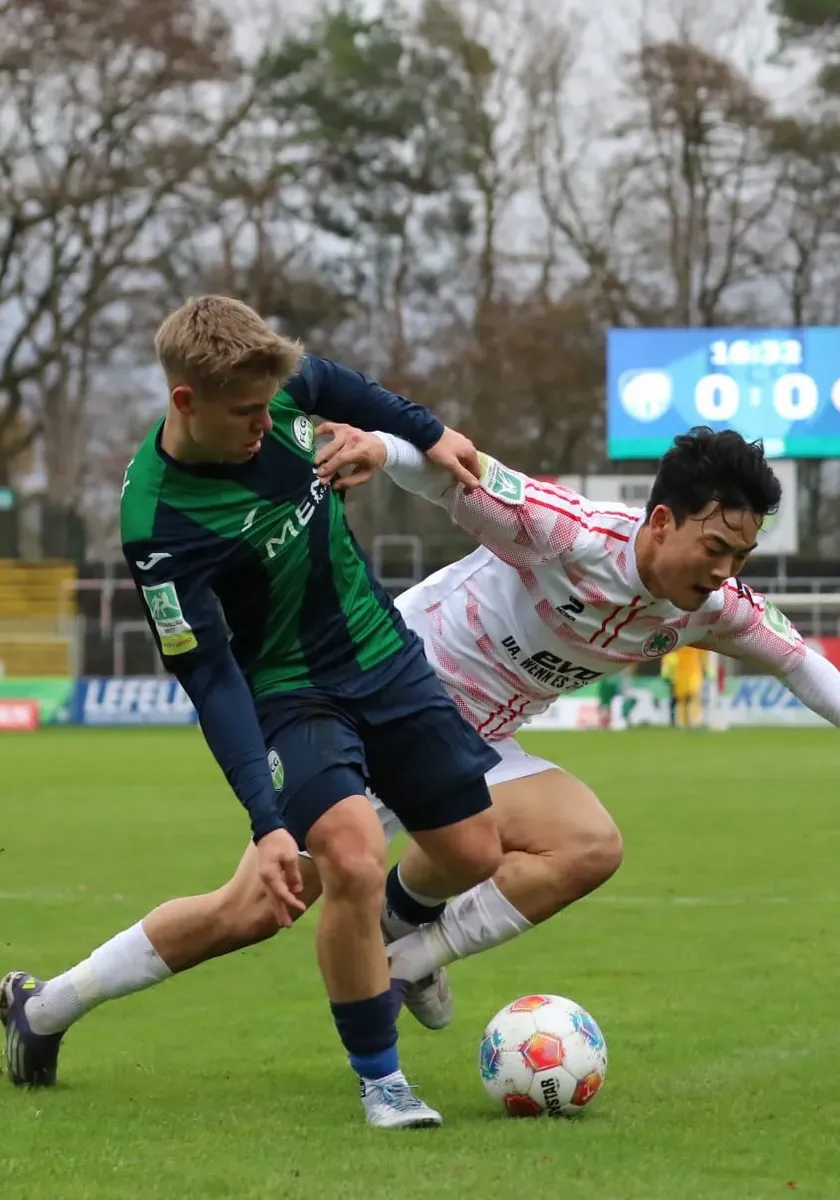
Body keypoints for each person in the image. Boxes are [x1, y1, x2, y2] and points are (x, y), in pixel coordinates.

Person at [10, 427, 840, 1070]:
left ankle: (406, 955)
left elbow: (804, 665)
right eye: (717, 547)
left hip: (477, 745)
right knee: (253, 909)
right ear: (661, 521)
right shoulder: (569, 533)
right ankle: (45, 1009)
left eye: (741, 556)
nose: (727, 571)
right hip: (376, 707)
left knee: (588, 843)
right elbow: (459, 472)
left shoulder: (712, 605)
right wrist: (384, 446)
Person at [1, 296, 505, 1129]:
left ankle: (384, 940)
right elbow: (210, 675)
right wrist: (266, 818)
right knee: (348, 857)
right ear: (185, 402)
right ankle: (382, 1081)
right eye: (245, 416)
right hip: (287, 690)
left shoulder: (269, 387)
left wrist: (425, 432)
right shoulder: (156, 525)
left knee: (473, 850)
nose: (264, 430)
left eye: (270, 410)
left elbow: (336, 381)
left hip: (382, 651)